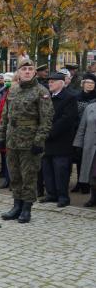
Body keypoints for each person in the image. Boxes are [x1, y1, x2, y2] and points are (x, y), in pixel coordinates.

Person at [0, 58, 53, 223]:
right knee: (14, 175)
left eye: (30, 69)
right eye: (24, 69)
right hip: (12, 140)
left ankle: (26, 209)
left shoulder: (40, 91)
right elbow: (5, 117)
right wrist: (1, 136)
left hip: (30, 142)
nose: (27, 71)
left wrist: (39, 141)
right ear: (19, 72)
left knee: (28, 176)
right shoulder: (12, 90)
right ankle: (16, 206)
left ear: (34, 72)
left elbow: (46, 120)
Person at [38, 72, 78, 207]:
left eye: (53, 81)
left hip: (61, 141)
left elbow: (67, 119)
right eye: (49, 81)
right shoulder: (46, 97)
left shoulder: (69, 98)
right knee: (47, 169)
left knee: (61, 170)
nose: (50, 83)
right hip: (46, 140)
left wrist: (49, 132)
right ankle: (51, 194)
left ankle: (63, 196)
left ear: (61, 83)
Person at [73, 73, 96, 207]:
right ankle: (93, 198)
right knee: (92, 174)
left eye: (92, 83)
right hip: (90, 144)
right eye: (87, 82)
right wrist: (78, 144)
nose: (89, 85)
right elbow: (82, 127)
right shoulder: (90, 107)